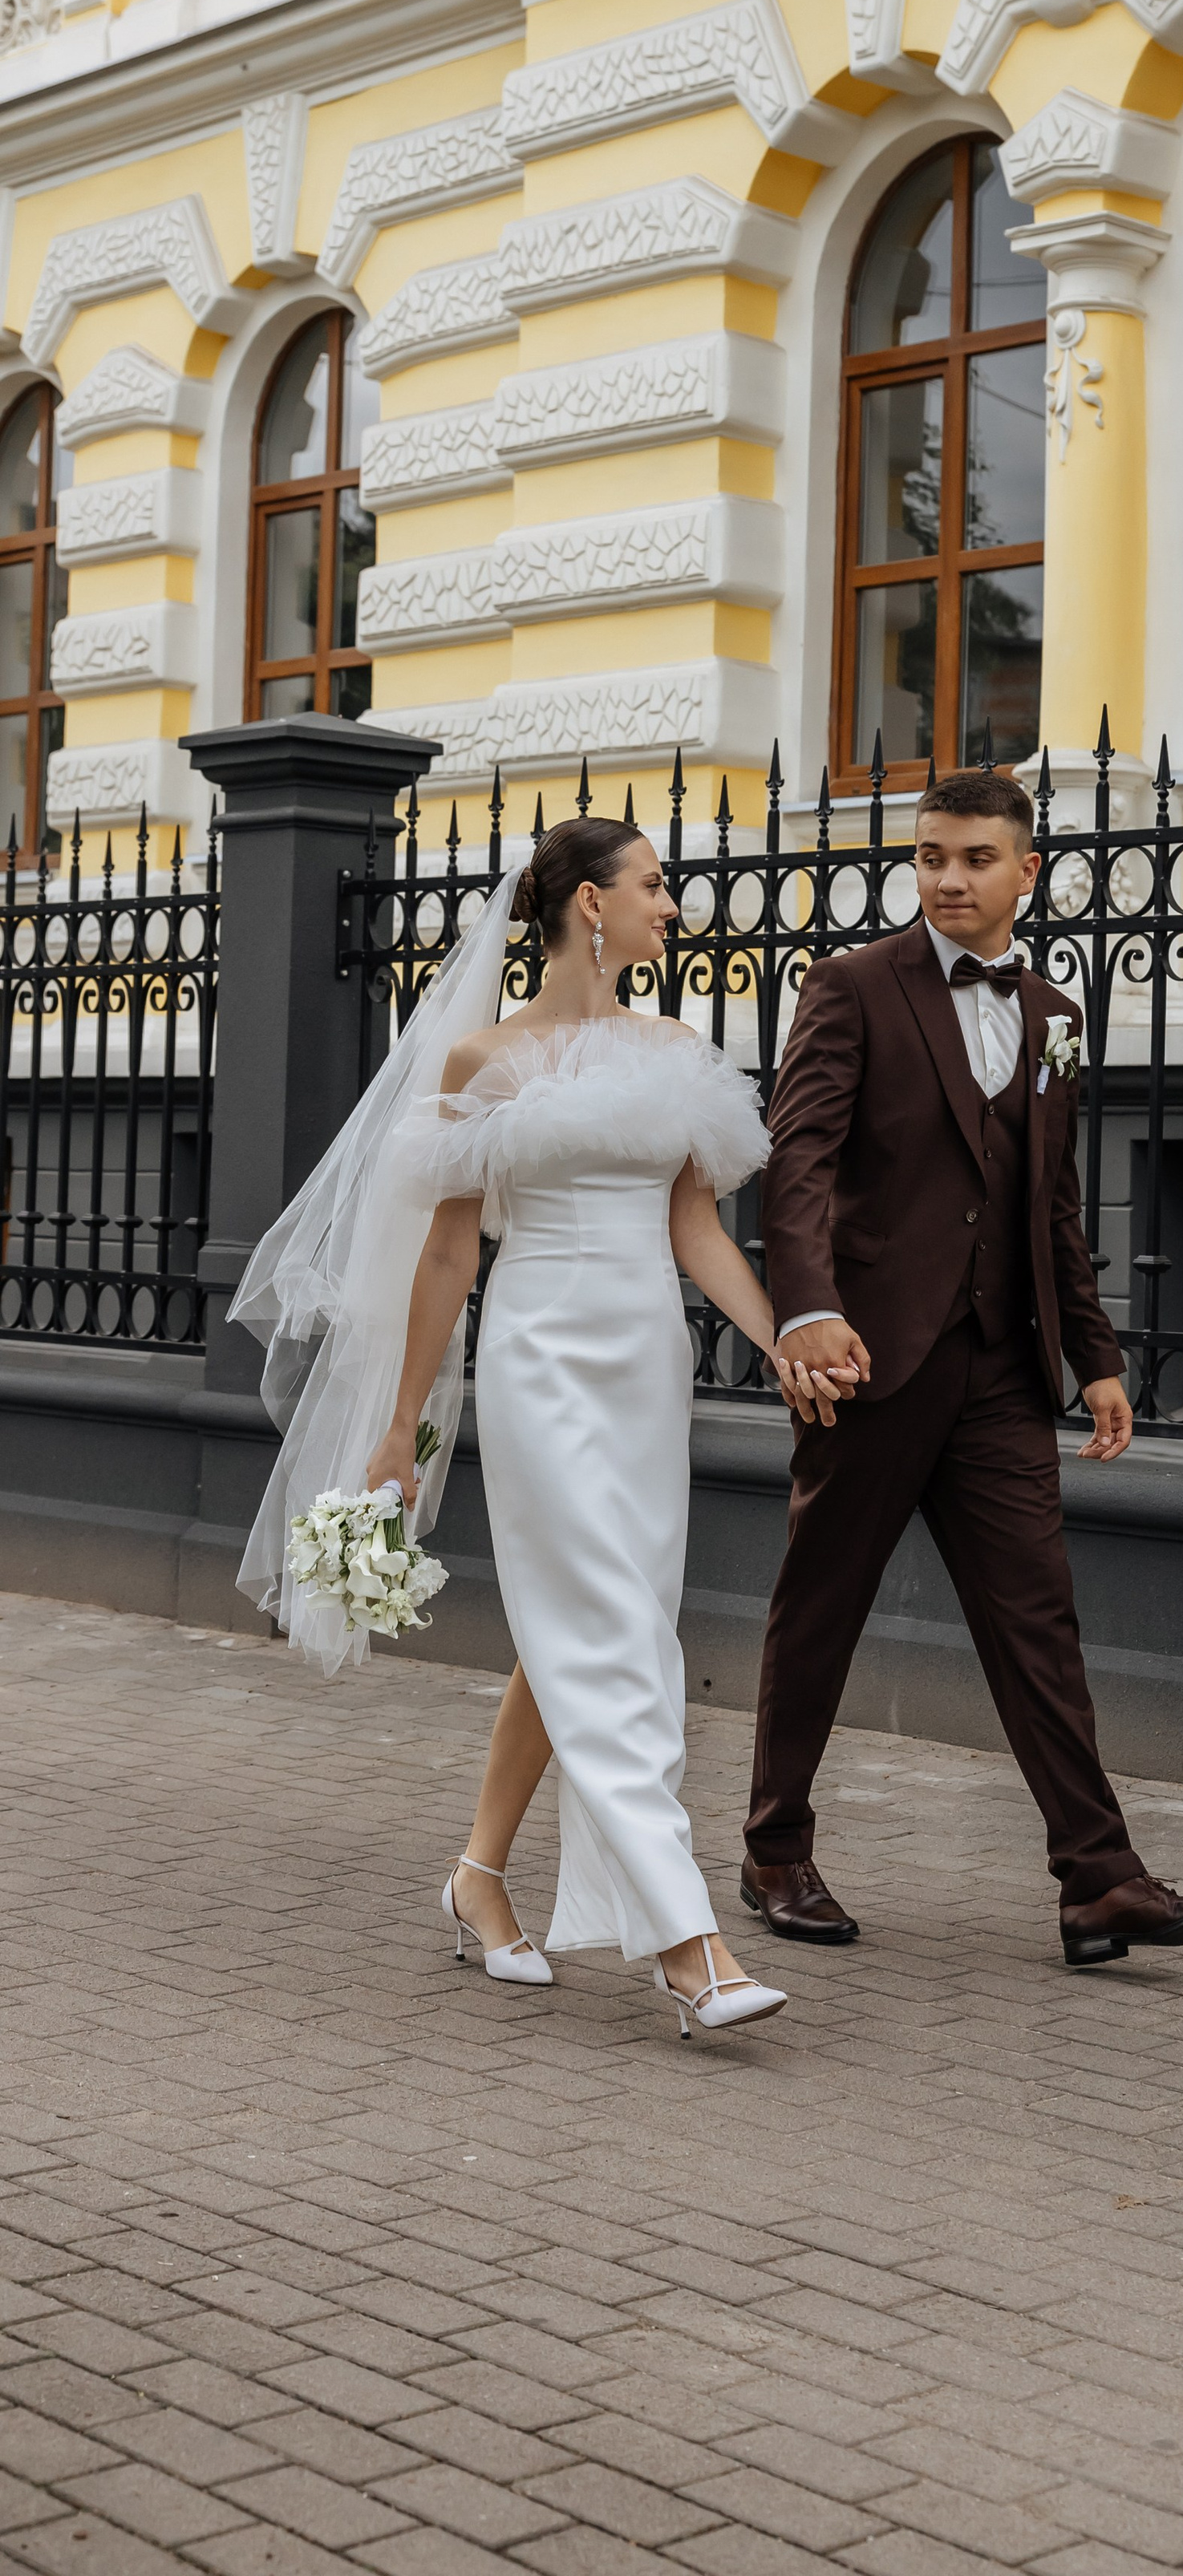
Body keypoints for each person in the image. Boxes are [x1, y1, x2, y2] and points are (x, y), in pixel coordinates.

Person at [234, 816, 819, 2040]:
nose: (675, 906)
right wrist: (400, 1427)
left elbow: (698, 1230)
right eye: (655, 886)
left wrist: (781, 1340)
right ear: (587, 905)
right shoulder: (481, 1062)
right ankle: (685, 1943)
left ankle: (480, 1876)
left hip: (646, 1363)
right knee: (610, 1631)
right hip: (539, 1351)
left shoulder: (677, 1049)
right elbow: (449, 1252)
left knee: (601, 1621)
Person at [746, 766, 1183, 1969]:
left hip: (1000, 1373)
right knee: (823, 1607)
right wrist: (804, 1313)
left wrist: (1098, 1354)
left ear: (1028, 871)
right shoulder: (852, 987)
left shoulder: (1056, 1016)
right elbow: (797, 1163)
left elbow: (1052, 1204)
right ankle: (775, 1849)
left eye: (974, 859)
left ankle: (1098, 1881)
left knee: (1039, 1623)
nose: (949, 878)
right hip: (869, 1360)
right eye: (930, 857)